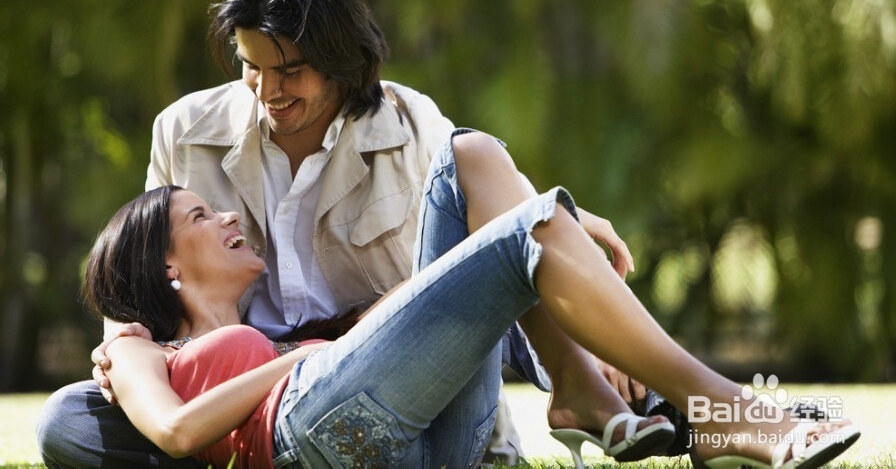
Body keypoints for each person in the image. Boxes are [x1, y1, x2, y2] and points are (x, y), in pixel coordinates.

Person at [36, 0, 675, 466]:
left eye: (291, 72)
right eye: (251, 66)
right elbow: (144, 272)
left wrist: (559, 235)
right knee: (69, 417)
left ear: (341, 58)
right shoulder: (183, 132)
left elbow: (478, 223)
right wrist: (125, 352)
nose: (268, 92)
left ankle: (623, 391)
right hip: (268, 404)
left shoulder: (409, 124)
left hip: (404, 379)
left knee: (478, 168)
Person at [81, 130, 858, 468]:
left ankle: (584, 393)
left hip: (423, 447)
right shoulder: (138, 348)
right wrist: (297, 364)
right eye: (196, 216)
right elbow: (179, 431)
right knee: (536, 227)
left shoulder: (281, 338)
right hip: (301, 429)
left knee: (471, 158)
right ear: (168, 268)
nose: (223, 215)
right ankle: (727, 414)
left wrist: (311, 351)